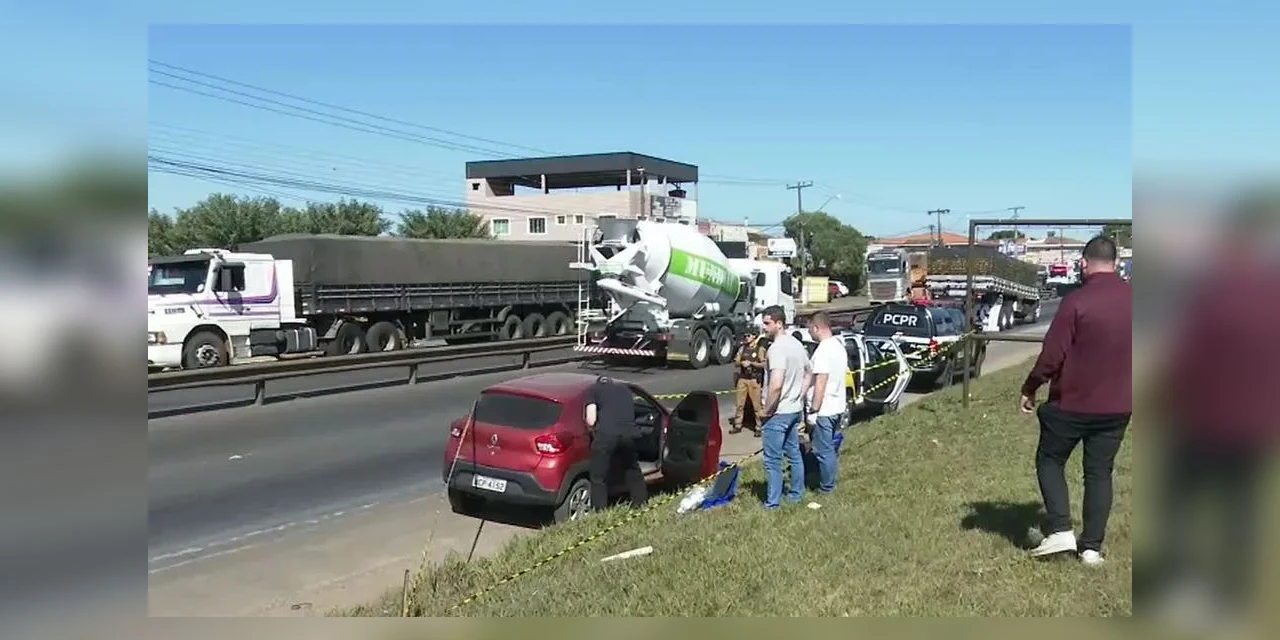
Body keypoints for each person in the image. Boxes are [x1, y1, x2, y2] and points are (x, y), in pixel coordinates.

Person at [1021, 234, 1132, 564]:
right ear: (1116, 263)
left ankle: (1060, 530)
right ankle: (1092, 548)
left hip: (1071, 403)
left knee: (1050, 460)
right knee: (1099, 473)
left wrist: (1031, 387)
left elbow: (1052, 355)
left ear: (1083, 264)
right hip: (1118, 406)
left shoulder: (1076, 301)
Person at [758, 305, 810, 510]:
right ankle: (796, 494)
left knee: (773, 460)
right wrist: (799, 395)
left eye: (767, 323)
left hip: (778, 412)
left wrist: (766, 410)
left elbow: (776, 384)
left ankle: (773, 503)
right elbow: (808, 373)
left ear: (779, 324)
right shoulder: (796, 344)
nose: (764, 327)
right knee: (794, 454)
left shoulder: (776, 349)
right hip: (794, 409)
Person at [584, 375, 647, 512]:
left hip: (607, 435)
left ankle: (600, 511)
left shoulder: (593, 390)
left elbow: (591, 420)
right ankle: (640, 504)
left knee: (598, 477)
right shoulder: (625, 390)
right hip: (629, 435)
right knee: (633, 470)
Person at [806, 311, 848, 494]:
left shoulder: (823, 350)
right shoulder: (838, 346)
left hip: (824, 409)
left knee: (824, 451)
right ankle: (826, 480)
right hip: (838, 405)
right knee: (829, 448)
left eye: (810, 329)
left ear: (817, 327)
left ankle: (826, 487)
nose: (810, 333)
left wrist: (814, 409)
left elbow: (821, 382)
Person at [730, 329, 768, 437]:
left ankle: (759, 427)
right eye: (745, 336)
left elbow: (764, 364)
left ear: (754, 336)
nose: (746, 337)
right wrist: (741, 362)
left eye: (748, 335)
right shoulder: (742, 348)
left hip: (754, 379)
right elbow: (736, 362)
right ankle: (738, 425)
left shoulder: (760, 349)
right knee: (739, 404)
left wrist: (751, 363)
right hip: (743, 378)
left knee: (756, 405)